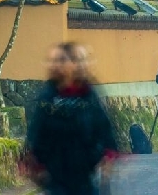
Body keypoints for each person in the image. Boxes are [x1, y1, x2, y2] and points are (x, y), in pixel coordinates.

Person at [26, 42, 118, 195]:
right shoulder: (48, 96)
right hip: (56, 176)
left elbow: (103, 127)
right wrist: (36, 164)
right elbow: (37, 132)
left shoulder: (89, 94)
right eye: (76, 60)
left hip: (86, 174)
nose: (82, 64)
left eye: (84, 59)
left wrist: (108, 155)